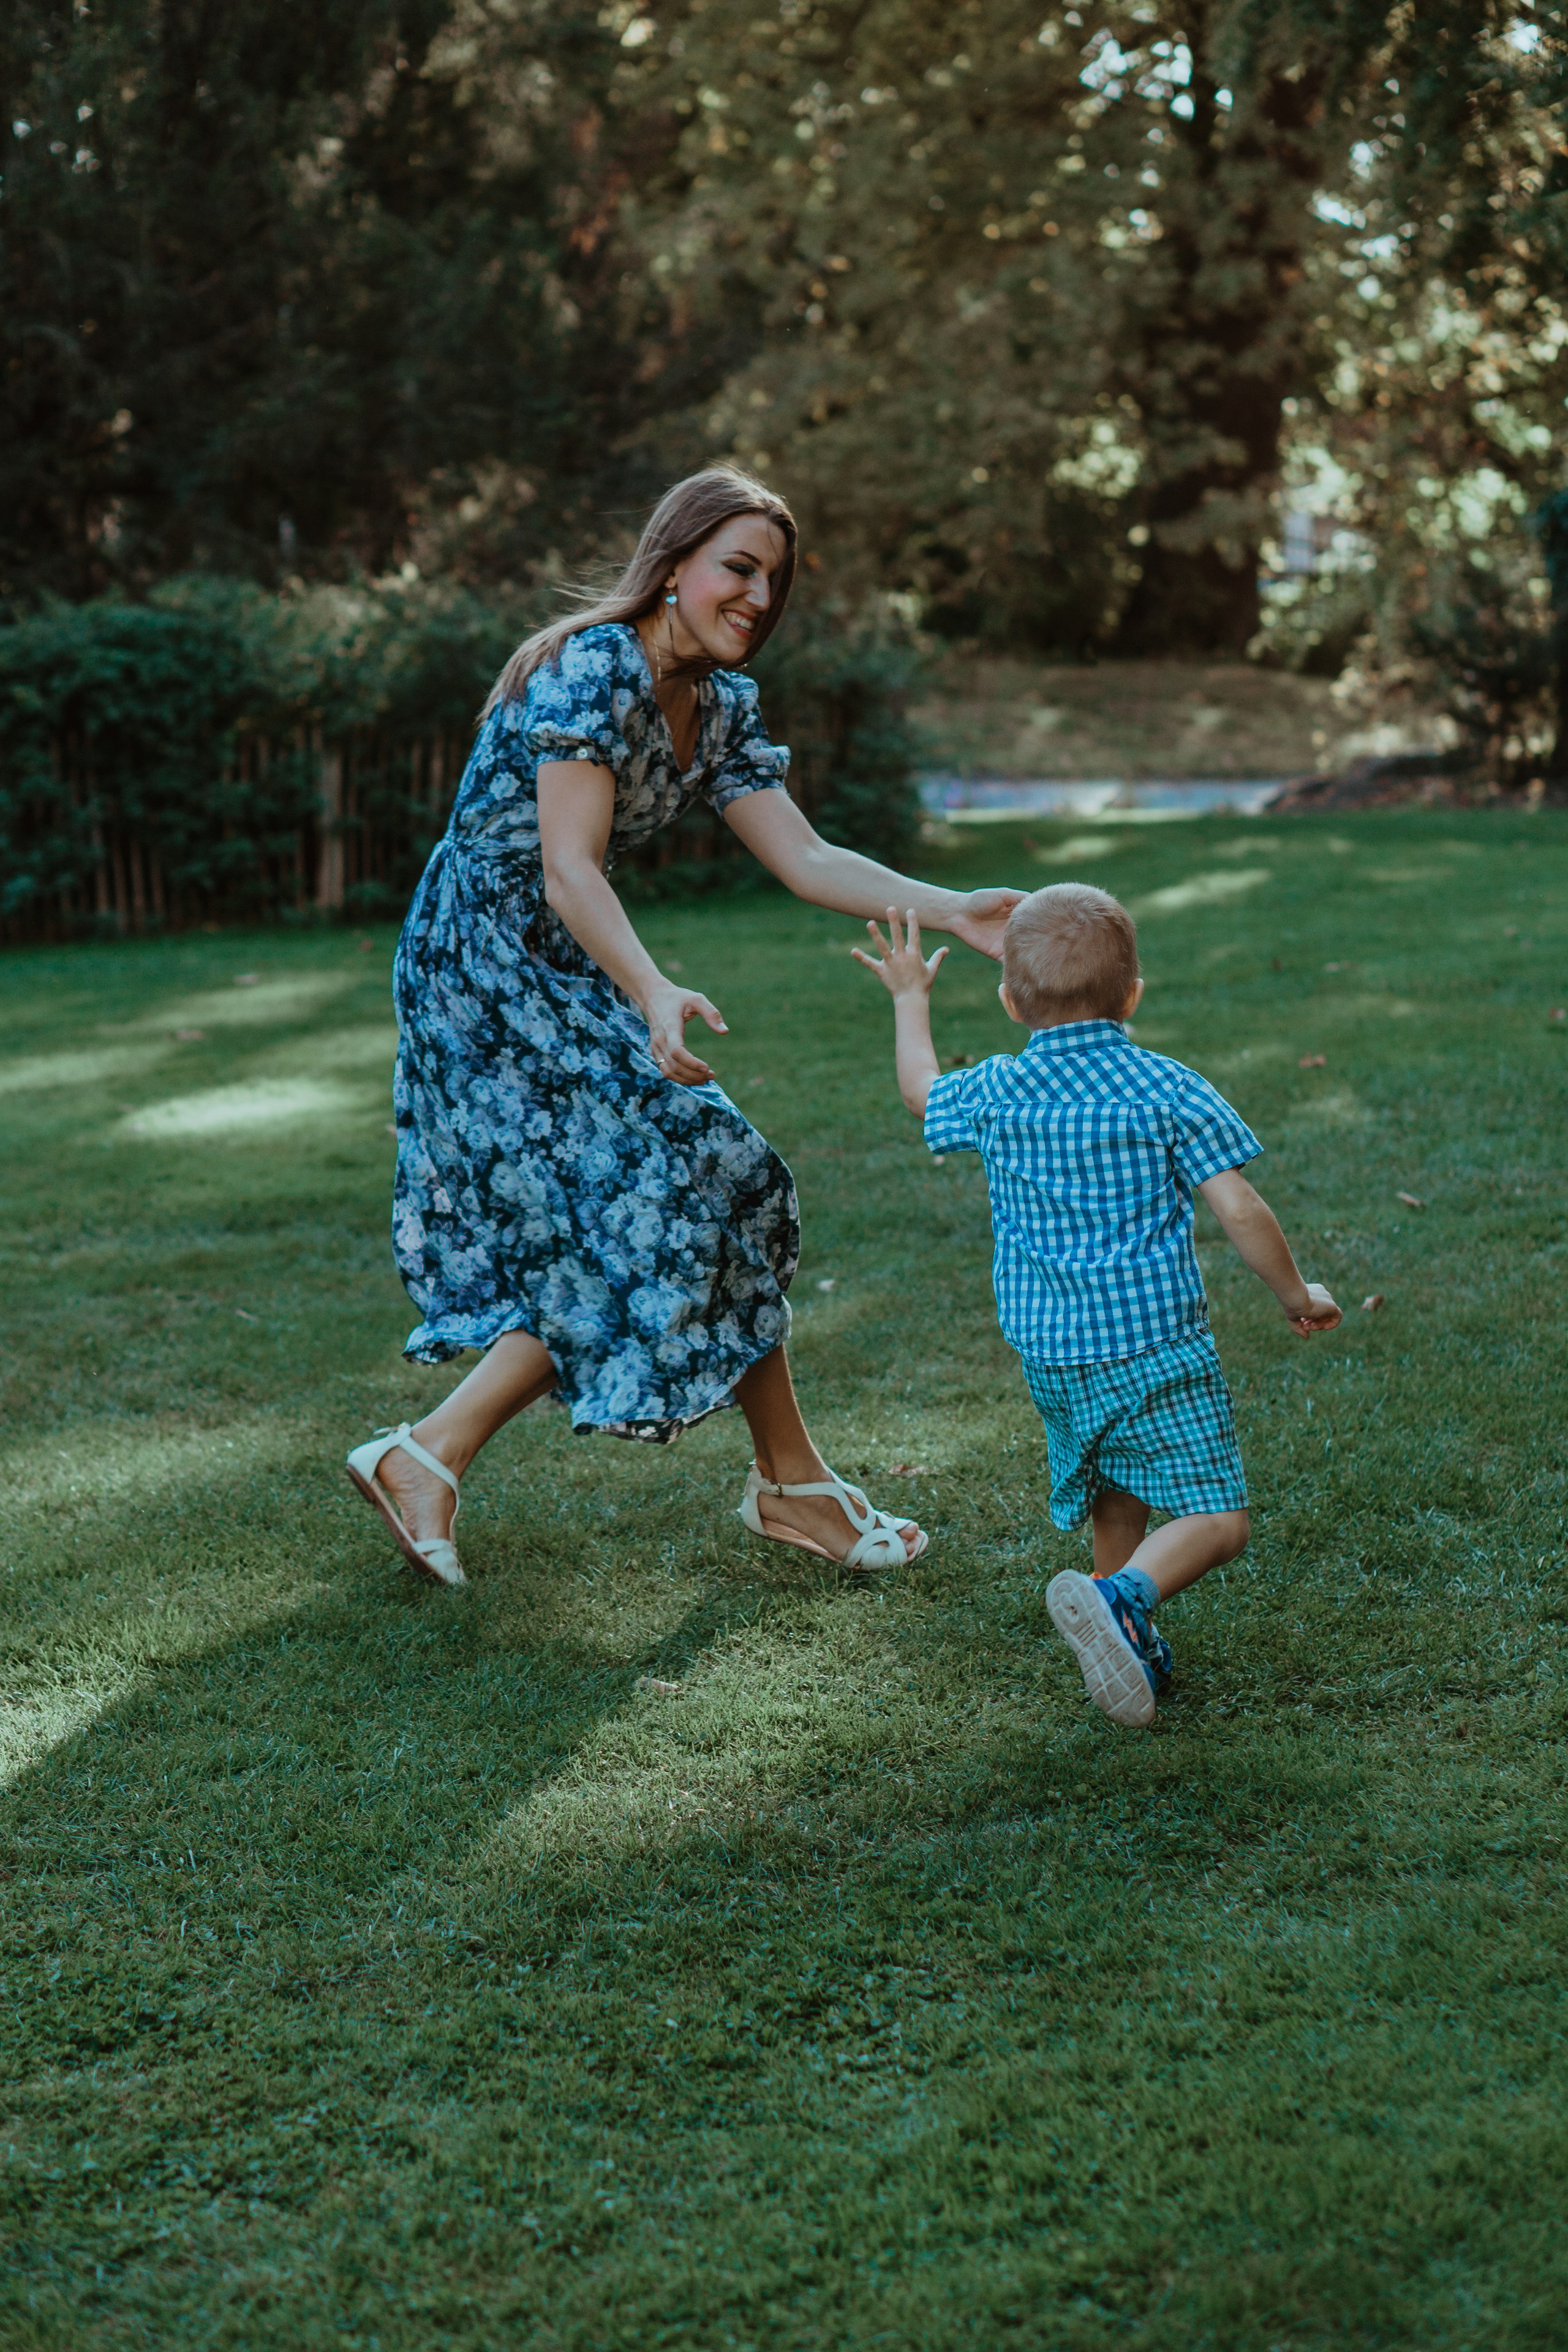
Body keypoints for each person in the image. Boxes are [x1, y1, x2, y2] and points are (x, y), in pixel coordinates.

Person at [345, 467, 1025, 1586]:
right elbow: (566, 869)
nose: (760, 596)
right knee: (656, 1203)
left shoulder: (719, 709)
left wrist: (952, 906)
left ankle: (444, 1455)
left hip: (568, 956)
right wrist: (653, 990)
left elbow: (804, 859)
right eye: (740, 568)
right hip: (483, 966)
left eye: (776, 581)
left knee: (720, 1181)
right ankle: (780, 1488)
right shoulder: (592, 667)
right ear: (675, 564)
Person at [853, 883, 1342, 1727]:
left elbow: (921, 1094)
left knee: (1120, 1487)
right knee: (1220, 1519)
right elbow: (1239, 1208)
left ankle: (1124, 1633)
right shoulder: (1166, 1087)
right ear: (1134, 994)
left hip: (1049, 1351)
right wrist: (1297, 1293)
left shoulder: (1001, 1088)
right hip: (1153, 1345)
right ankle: (1121, 1599)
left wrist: (909, 999)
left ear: (1011, 1000)